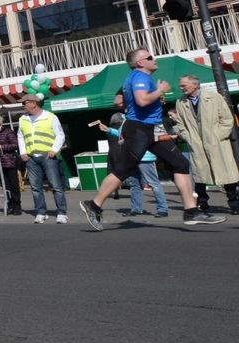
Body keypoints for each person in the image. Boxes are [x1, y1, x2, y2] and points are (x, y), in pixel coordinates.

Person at [80, 49, 226, 230]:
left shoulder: (135, 78)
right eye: (149, 57)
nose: (154, 59)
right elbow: (141, 101)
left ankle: (191, 211)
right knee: (123, 170)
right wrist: (159, 91)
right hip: (139, 129)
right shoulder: (139, 77)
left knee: (180, 163)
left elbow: (119, 101)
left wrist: (155, 99)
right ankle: (93, 206)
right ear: (141, 63)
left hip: (153, 128)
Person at [175, 74, 239, 214]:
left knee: (226, 173)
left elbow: (227, 119)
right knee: (200, 175)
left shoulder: (214, 97)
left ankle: (234, 203)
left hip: (216, 142)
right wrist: (188, 137)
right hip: (196, 142)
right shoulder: (181, 102)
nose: (181, 88)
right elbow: (180, 123)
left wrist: (219, 135)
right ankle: (202, 202)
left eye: (183, 85)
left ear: (195, 85)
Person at [93, 114, 168, 216]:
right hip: (132, 157)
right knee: (135, 184)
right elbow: (122, 134)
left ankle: (162, 209)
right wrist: (109, 130)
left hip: (145, 157)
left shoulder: (144, 118)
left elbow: (150, 136)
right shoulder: (128, 120)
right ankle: (136, 209)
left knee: (153, 183)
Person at [16, 96, 68, 223]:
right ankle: (40, 212)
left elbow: (60, 134)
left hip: (48, 155)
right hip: (31, 157)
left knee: (55, 185)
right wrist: (23, 152)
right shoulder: (23, 119)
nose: (23, 105)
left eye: (25, 103)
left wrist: (54, 149)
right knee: (35, 187)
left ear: (34, 103)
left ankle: (61, 212)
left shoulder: (50, 116)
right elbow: (20, 136)